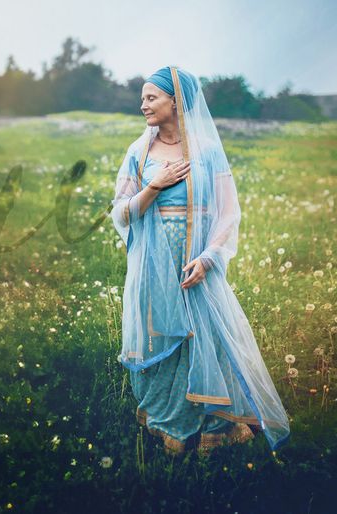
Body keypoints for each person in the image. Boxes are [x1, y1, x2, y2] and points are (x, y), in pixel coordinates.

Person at [109, 66, 291, 456]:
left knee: (204, 336)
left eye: (151, 97)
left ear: (175, 101)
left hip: (197, 264)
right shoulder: (138, 153)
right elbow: (121, 213)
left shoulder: (207, 152)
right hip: (154, 266)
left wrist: (209, 258)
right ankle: (171, 422)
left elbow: (228, 213)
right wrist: (155, 187)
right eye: (142, 98)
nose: (143, 105)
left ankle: (213, 425)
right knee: (165, 335)